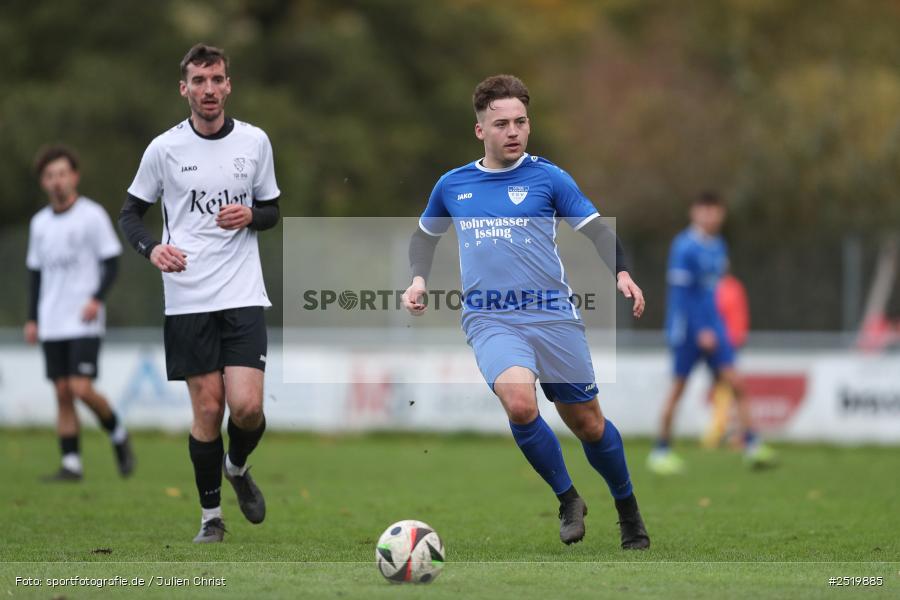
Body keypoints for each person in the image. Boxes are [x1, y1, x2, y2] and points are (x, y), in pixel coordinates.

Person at [401, 74, 650, 550]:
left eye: (520, 122)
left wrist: (621, 272)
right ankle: (567, 498)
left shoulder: (549, 177)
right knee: (519, 403)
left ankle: (627, 508)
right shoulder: (453, 185)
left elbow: (597, 230)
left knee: (588, 423)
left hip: (553, 315)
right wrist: (417, 279)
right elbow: (424, 237)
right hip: (490, 317)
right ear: (481, 131)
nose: (513, 131)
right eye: (501, 124)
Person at [118, 43, 281, 543]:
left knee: (247, 408)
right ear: (184, 88)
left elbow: (272, 211)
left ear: (228, 86)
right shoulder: (164, 149)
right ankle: (211, 519)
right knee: (208, 411)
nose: (208, 90)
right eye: (199, 81)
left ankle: (236, 466)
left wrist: (251, 214)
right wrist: (152, 249)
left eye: (216, 80)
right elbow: (129, 215)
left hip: (242, 292)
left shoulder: (254, 142)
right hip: (187, 297)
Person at [24, 145, 134, 481]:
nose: (56, 181)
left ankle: (117, 432)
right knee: (61, 391)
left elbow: (112, 263)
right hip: (52, 319)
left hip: (83, 318)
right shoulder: (39, 223)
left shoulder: (92, 215)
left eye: (61, 174)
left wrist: (96, 298)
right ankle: (71, 463)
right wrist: (33, 318)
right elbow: (36, 273)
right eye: (49, 176)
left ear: (74, 176)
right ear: (44, 182)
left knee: (80, 388)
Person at [649, 191, 775, 474]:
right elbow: (681, 296)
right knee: (678, 389)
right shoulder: (684, 246)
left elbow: (712, 292)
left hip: (713, 326)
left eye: (716, 211)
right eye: (705, 210)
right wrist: (700, 329)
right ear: (694, 213)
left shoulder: (718, 245)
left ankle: (753, 445)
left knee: (736, 381)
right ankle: (660, 450)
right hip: (688, 329)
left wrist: (714, 325)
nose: (711, 216)